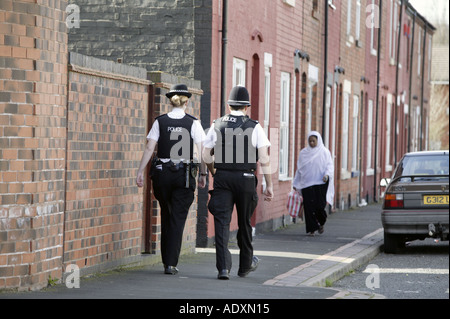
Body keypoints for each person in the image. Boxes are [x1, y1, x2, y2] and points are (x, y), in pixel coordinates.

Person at [203, 86, 274, 280]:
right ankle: (245, 266)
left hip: (223, 178)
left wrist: (212, 172)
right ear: (247, 106)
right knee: (244, 223)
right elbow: (264, 157)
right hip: (246, 179)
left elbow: (205, 154)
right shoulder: (254, 126)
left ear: (229, 105)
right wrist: (269, 185)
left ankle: (223, 268)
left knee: (222, 223)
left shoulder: (217, 124)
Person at [136, 84, 207, 275]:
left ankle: (166, 259)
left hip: (162, 175)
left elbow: (150, 148)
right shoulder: (193, 122)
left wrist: (140, 171)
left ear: (170, 100)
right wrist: (203, 174)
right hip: (183, 176)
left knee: (167, 214)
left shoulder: (160, 121)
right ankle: (170, 263)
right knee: (177, 218)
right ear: (186, 101)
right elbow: (202, 151)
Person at [293, 131, 334, 236]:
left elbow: (329, 166)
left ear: (318, 140)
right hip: (306, 183)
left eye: (313, 141)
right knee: (308, 207)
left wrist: (327, 175)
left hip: (321, 183)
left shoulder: (325, 152)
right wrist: (296, 182)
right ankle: (312, 229)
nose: (311, 143)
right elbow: (300, 169)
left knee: (319, 206)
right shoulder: (303, 153)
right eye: (310, 141)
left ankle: (321, 222)